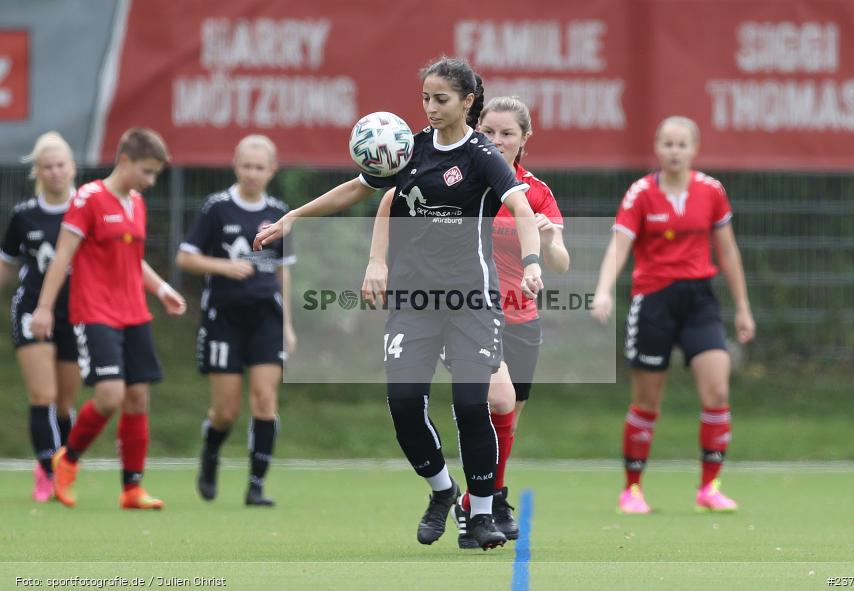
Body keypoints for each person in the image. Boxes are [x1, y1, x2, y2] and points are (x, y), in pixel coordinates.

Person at [255, 56, 543, 550]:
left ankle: (480, 514)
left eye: (441, 99)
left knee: (473, 406)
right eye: (425, 99)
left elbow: (519, 204)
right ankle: (441, 491)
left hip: (472, 299)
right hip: (414, 301)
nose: (430, 108)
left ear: (467, 102)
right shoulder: (409, 148)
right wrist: (294, 217)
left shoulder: (480, 154)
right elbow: (361, 188)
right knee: (406, 404)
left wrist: (532, 261)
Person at [363, 96, 569, 548]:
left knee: (505, 413)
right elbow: (392, 199)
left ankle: (487, 500)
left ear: (523, 140)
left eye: (507, 134)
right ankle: (482, 503)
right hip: (465, 306)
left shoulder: (533, 192)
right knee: (491, 397)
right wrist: (379, 260)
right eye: (490, 132)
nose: (497, 140)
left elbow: (560, 262)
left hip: (521, 313)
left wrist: (548, 240)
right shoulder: (464, 171)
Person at [591, 116, 755, 514]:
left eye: (682, 144)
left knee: (717, 391)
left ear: (695, 149)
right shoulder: (641, 194)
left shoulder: (711, 191)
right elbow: (619, 246)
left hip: (700, 303)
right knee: (647, 402)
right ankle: (632, 490)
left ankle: (709, 488)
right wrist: (603, 291)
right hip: (654, 302)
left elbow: (728, 251)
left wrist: (744, 308)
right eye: (667, 144)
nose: (675, 151)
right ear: (657, 148)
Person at [30, 127, 187, 510]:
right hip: (95, 311)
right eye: (147, 172)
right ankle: (66, 461)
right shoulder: (88, 199)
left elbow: (133, 261)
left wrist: (163, 290)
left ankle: (132, 488)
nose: (150, 181)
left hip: (134, 309)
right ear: (126, 160)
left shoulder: (136, 202)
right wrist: (45, 307)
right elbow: (62, 256)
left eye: (155, 174)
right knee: (110, 395)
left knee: (138, 397)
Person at [176, 134, 296, 507]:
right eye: (246, 166)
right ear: (235, 165)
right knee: (226, 410)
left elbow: (283, 272)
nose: (252, 173)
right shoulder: (216, 208)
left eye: (259, 167)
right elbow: (186, 258)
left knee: (264, 400)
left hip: (266, 319)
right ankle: (211, 454)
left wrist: (290, 325)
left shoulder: (279, 211)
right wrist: (225, 267)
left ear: (271, 170)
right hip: (224, 319)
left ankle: (256, 486)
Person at [0, 132, 80, 502]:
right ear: (38, 171)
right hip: (32, 309)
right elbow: (7, 266)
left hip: (77, 312)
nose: (54, 172)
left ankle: (63, 464)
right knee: (42, 394)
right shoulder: (24, 215)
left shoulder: (85, 209)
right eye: (47, 166)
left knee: (64, 403)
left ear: (72, 167)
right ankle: (47, 470)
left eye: (60, 165)